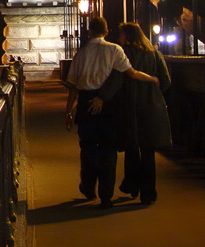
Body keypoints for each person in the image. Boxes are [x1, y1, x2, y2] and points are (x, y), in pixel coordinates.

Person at [64, 17, 159, 208]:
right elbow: (131, 73)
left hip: (85, 102)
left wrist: (68, 112)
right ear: (107, 32)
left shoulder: (80, 54)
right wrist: (151, 79)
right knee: (108, 150)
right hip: (108, 105)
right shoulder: (114, 50)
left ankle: (88, 187)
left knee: (88, 149)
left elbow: (72, 87)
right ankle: (106, 196)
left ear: (89, 32)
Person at [116, 22, 172, 205]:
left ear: (128, 36)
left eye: (122, 34)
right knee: (148, 151)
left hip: (130, 104)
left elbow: (118, 79)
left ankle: (132, 185)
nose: (120, 37)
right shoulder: (154, 54)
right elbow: (166, 80)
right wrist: (156, 93)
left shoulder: (123, 54)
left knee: (132, 147)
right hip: (151, 105)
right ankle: (149, 192)